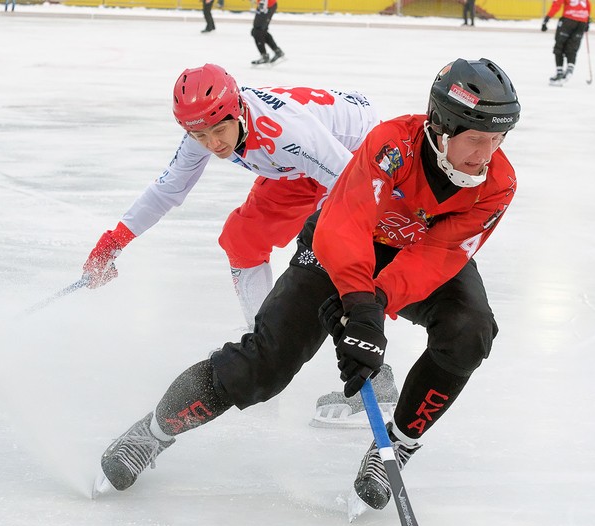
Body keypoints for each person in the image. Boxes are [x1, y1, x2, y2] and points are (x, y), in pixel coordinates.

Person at [94, 57, 521, 516]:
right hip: (344, 237)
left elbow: (440, 253)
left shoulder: (498, 182)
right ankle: (150, 434)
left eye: (497, 139)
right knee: (266, 363)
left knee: (470, 330)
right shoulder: (391, 144)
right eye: (476, 138)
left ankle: (395, 448)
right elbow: (344, 222)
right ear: (441, 126)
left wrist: (374, 306)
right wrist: (356, 298)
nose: (486, 153)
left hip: (416, 250)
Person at [81, 64, 398, 428]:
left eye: (219, 130)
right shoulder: (207, 128)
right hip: (301, 166)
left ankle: (377, 378)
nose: (213, 144)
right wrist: (113, 243)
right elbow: (168, 189)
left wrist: (324, 250)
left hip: (354, 155)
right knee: (242, 239)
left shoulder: (285, 131)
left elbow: (351, 187)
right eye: (199, 135)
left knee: (330, 264)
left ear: (238, 112)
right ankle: (265, 341)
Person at [541, 0, 591, 85]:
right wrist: (587, 21)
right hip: (582, 21)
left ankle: (559, 72)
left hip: (568, 20)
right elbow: (587, 5)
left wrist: (547, 19)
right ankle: (569, 69)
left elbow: (557, 4)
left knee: (559, 46)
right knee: (572, 47)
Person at [251, 0, 284, 65]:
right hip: (265, 5)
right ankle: (276, 51)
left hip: (267, 5)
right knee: (258, 31)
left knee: (257, 31)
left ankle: (265, 56)